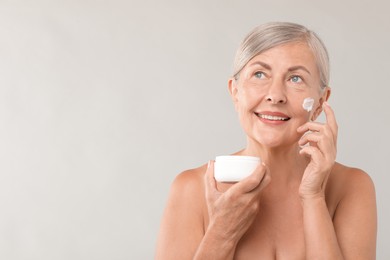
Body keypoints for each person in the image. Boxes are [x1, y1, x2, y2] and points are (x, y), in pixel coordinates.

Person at [155, 22, 377, 259]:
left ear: (321, 102)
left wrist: (313, 197)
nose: (275, 95)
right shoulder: (191, 189)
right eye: (259, 74)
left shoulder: (351, 188)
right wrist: (221, 233)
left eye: (295, 79)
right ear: (235, 91)